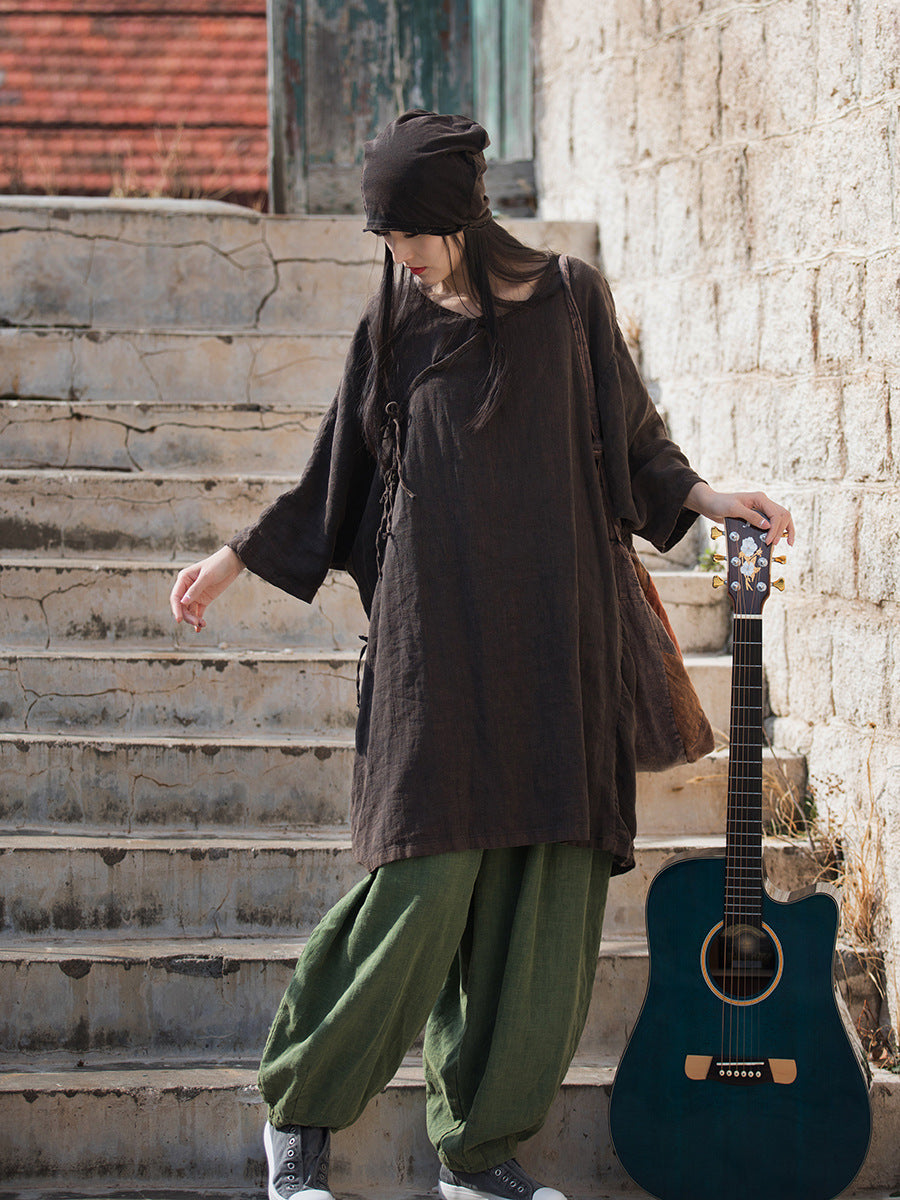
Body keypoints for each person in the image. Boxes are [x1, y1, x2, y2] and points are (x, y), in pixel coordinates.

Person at [170, 110, 795, 1200]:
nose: (400, 252)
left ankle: (478, 1150)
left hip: (561, 641)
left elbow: (636, 441)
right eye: (386, 233)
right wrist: (233, 557)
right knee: (418, 885)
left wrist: (705, 496)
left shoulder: (570, 299)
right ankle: (299, 1115)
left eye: (413, 230)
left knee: (545, 906)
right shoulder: (394, 323)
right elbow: (338, 472)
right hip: (435, 651)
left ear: (462, 214)